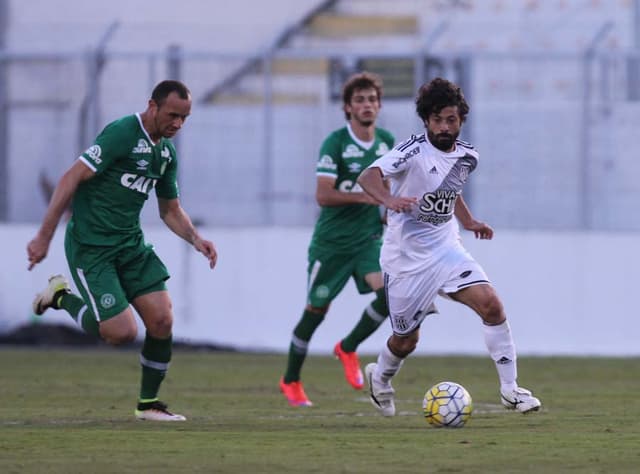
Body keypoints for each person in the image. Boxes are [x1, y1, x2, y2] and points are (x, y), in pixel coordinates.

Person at [27, 79, 217, 422]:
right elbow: (71, 178)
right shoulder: (122, 133)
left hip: (130, 245)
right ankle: (61, 297)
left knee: (161, 319)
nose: (178, 124)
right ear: (153, 106)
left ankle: (149, 404)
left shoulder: (166, 153)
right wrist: (44, 236)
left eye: (185, 118)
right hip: (92, 247)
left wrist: (195, 239)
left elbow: (170, 209)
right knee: (121, 333)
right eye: (173, 115)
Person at [357, 77, 541, 417]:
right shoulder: (410, 151)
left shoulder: (468, 157)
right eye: (438, 120)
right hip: (406, 260)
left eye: (451, 120)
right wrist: (389, 199)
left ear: (461, 120)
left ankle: (510, 389)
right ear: (426, 120)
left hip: (446, 248)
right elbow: (367, 176)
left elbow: (450, 190)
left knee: (492, 306)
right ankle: (380, 378)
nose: (444, 126)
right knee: (406, 341)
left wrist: (469, 222)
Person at [279, 72, 394, 407]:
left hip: (369, 241)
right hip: (331, 245)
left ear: (379, 105)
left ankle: (348, 346)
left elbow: (387, 193)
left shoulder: (386, 141)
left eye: (372, 99)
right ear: (347, 107)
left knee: (390, 296)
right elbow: (323, 195)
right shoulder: (336, 143)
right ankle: (291, 380)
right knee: (316, 311)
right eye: (359, 100)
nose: (367, 105)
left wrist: (390, 209)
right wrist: (366, 196)